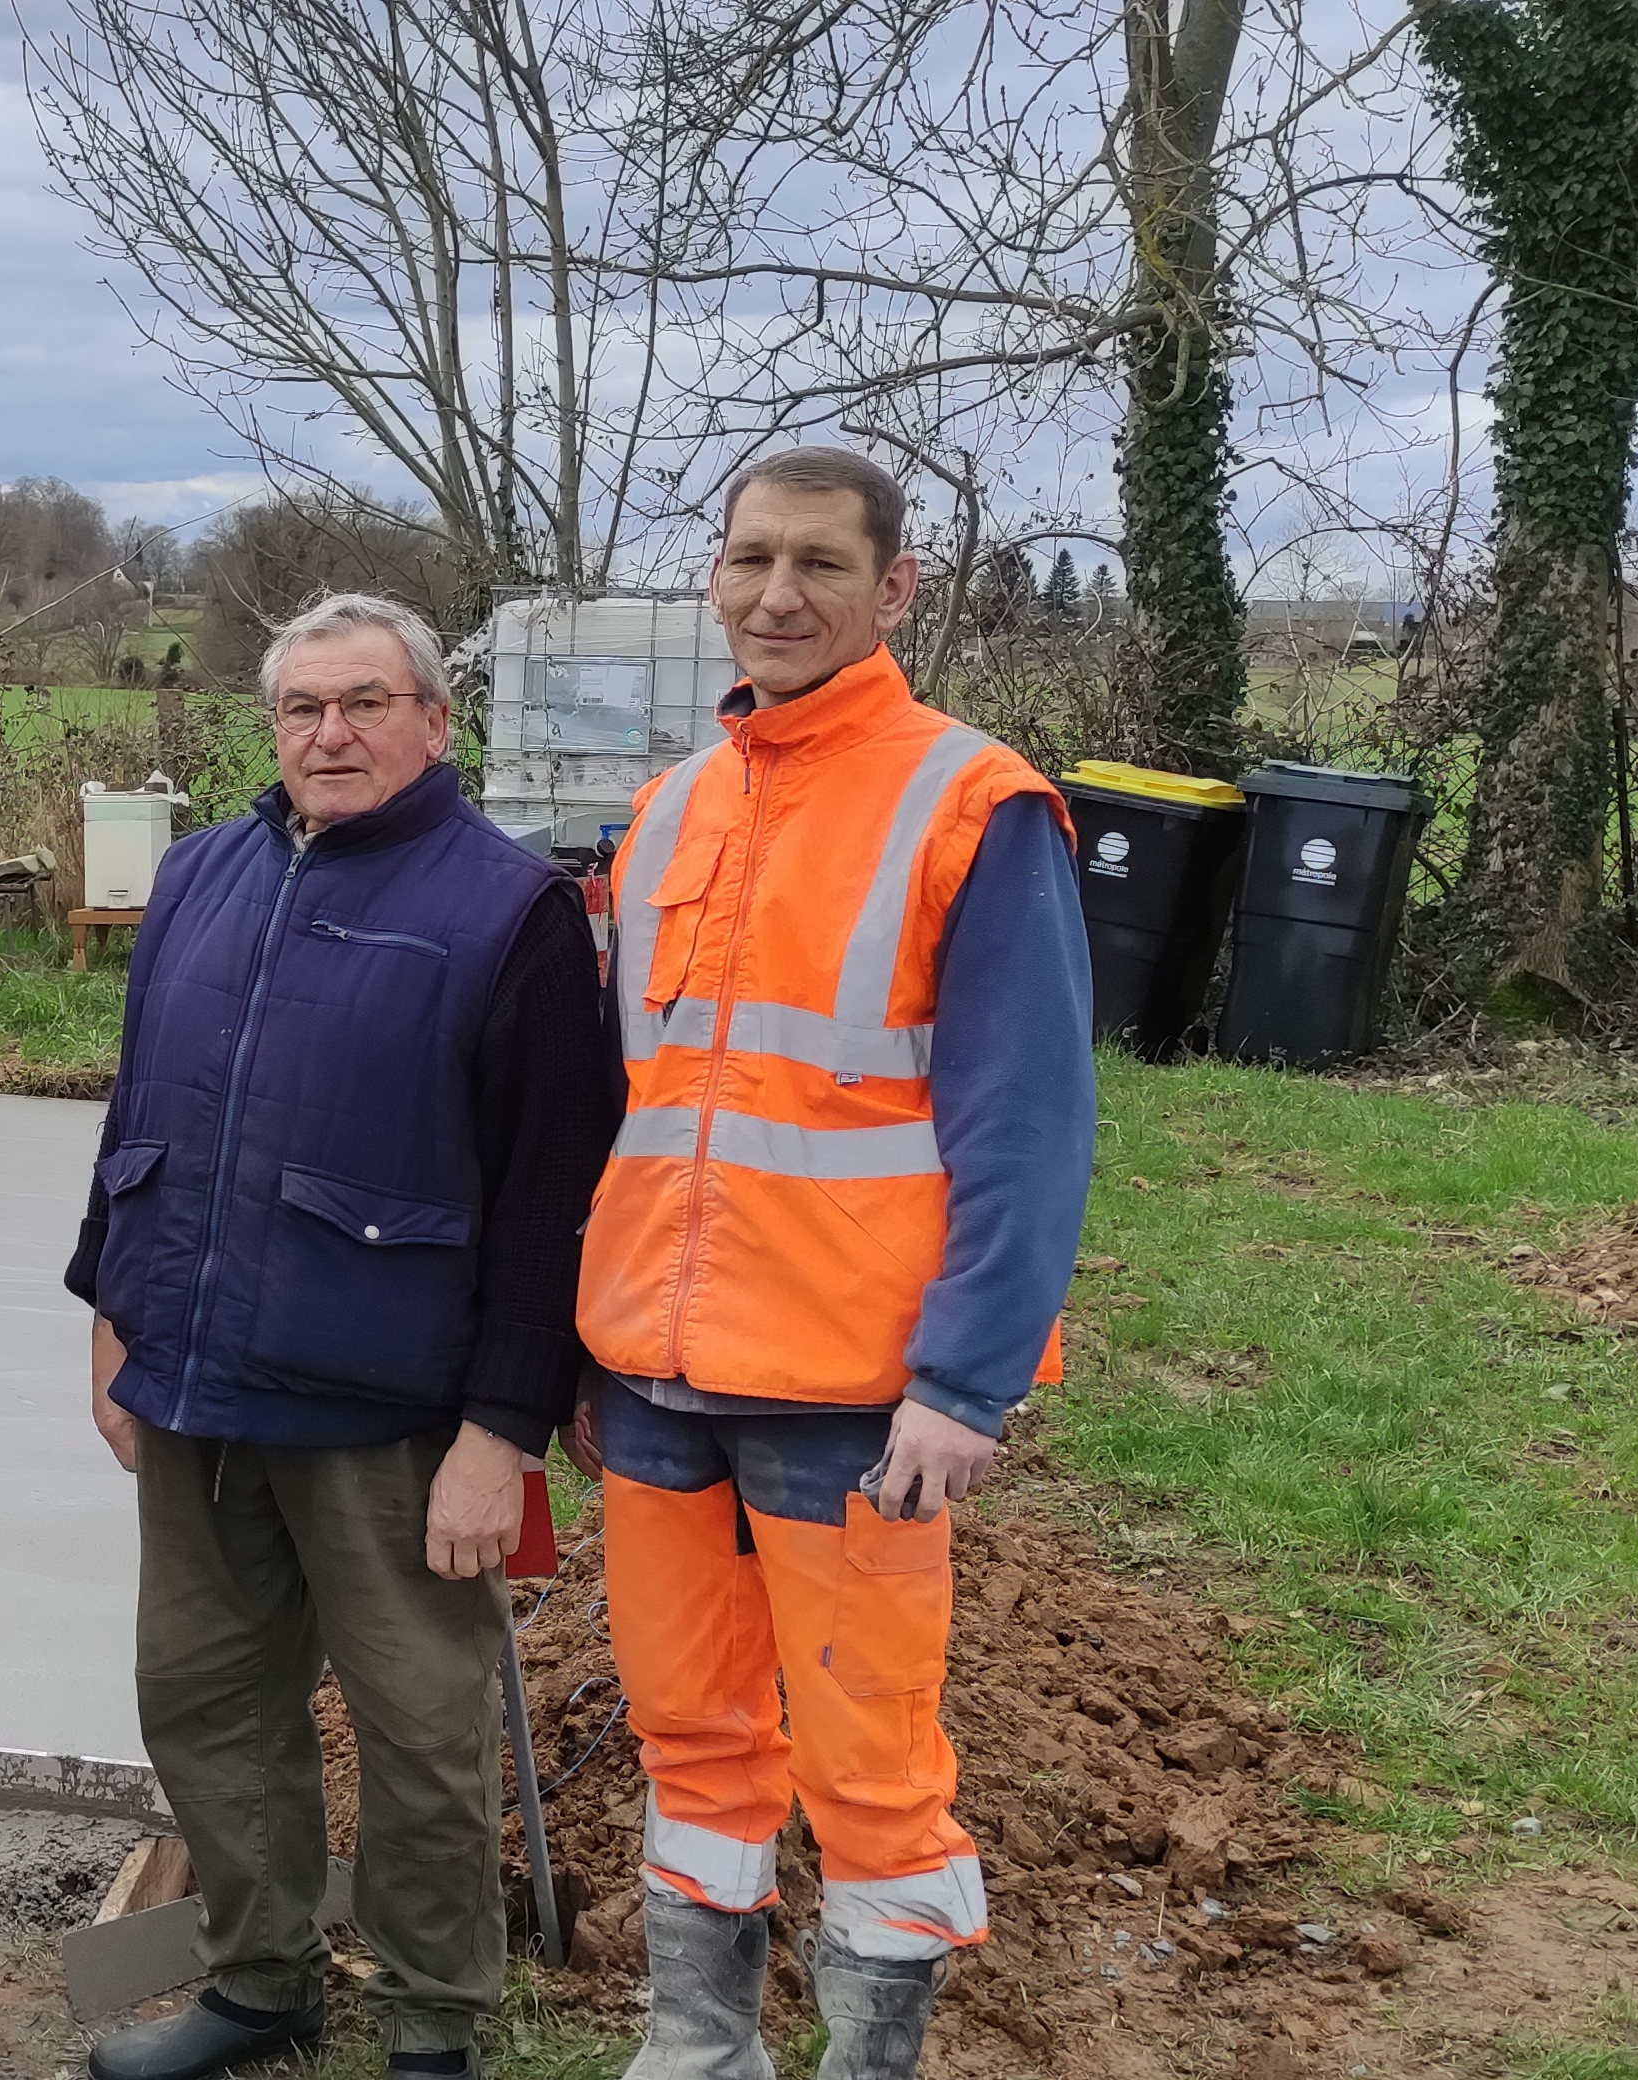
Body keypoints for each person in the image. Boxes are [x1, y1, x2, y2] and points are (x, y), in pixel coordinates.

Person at [571, 448, 1092, 2080]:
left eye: (817, 564)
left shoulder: (971, 802)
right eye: (748, 561)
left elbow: (1026, 1122)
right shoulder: (673, 806)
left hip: (857, 1395)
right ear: (713, 578)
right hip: (655, 1370)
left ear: (895, 588)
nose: (777, 595)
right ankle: (698, 2051)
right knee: (692, 1735)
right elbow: (638, 1100)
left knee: (872, 1768)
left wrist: (968, 1382)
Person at [66, 593, 622, 2080]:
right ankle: (260, 1985)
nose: (333, 733)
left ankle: (438, 2028)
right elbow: (144, 1115)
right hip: (193, 1387)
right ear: (275, 727)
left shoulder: (508, 913)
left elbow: (549, 1197)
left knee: (422, 1742)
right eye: (305, 708)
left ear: (436, 723)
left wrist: (502, 1431)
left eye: (367, 703)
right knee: (204, 1705)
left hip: (393, 1419)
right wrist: (108, 1312)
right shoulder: (197, 878)